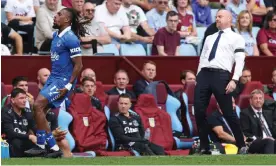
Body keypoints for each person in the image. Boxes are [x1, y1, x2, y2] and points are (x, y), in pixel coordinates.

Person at [24, 8, 84, 158]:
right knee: (40, 111)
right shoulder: (57, 35)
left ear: (67, 20)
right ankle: (51, 147)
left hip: (62, 81)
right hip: (53, 79)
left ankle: (45, 145)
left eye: (59, 15)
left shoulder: (70, 38)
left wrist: (68, 86)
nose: (55, 17)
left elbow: (79, 65)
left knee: (37, 105)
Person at [194, 9, 247, 154]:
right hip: (205, 74)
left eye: (220, 16)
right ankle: (204, 146)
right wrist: (198, 76)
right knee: (198, 111)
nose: (216, 19)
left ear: (229, 19)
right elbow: (203, 58)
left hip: (221, 75)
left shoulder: (237, 38)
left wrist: (235, 79)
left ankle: (241, 145)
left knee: (229, 112)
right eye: (216, 16)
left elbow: (240, 60)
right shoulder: (210, 37)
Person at [207, 97, 275, 154]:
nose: (234, 105)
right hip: (227, 145)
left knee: (268, 141)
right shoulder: (214, 116)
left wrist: (247, 140)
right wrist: (239, 141)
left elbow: (240, 131)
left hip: (242, 144)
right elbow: (221, 134)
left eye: (234, 103)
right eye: (231, 103)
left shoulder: (233, 116)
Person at [1, 88, 36, 157]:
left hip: (25, 139)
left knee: (39, 142)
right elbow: (10, 133)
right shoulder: (6, 111)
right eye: (21, 98)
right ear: (13, 100)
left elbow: (34, 128)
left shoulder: (28, 111)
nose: (24, 101)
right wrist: (29, 136)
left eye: (25, 98)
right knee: (16, 142)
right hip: (8, 141)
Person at [240, 89, 276, 153]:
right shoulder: (245, 113)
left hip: (272, 140)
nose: (258, 100)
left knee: (271, 142)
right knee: (269, 142)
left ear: (263, 100)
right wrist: (263, 139)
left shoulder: (268, 113)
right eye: (256, 98)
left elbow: (273, 128)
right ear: (250, 101)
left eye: (260, 98)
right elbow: (246, 133)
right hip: (254, 142)